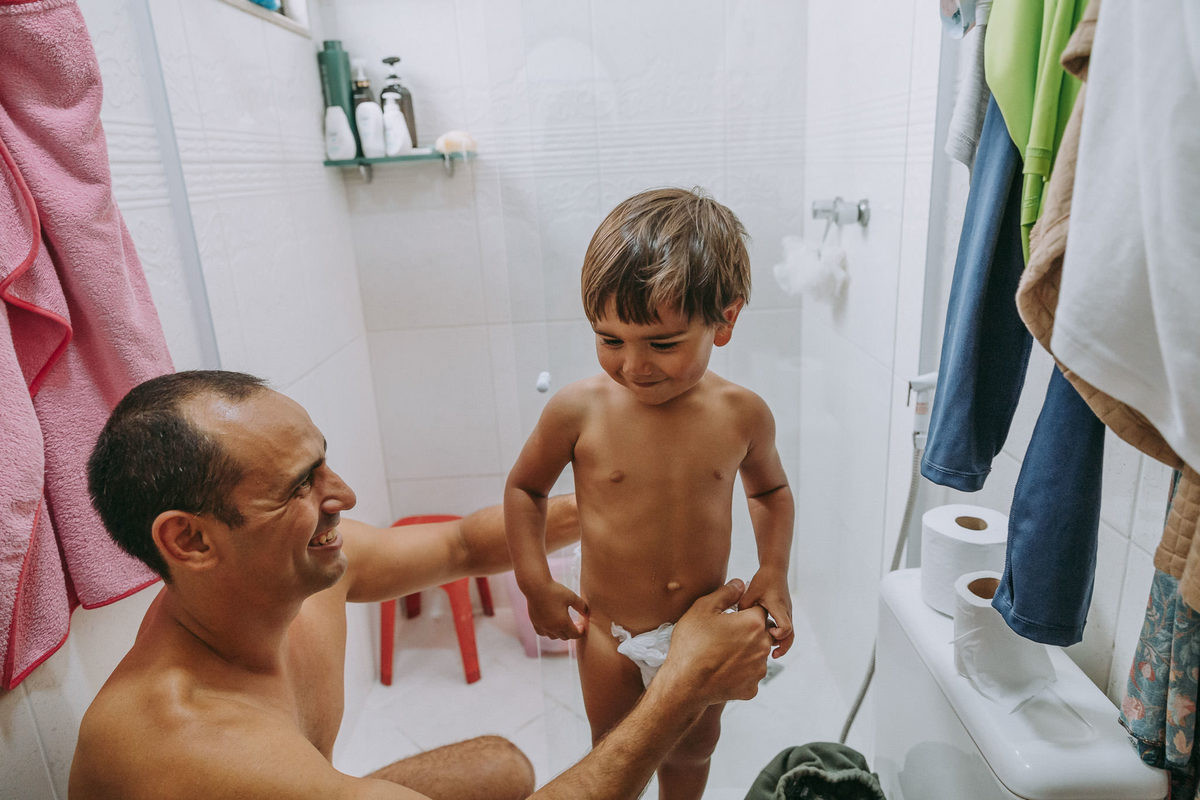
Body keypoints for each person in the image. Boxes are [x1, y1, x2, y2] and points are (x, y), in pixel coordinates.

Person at [68, 369, 773, 800]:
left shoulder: (281, 582)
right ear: (190, 540)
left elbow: (462, 544)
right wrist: (683, 686)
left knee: (499, 769)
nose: (343, 495)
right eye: (300, 486)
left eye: (323, 463)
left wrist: (628, 508)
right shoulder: (193, 745)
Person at [504, 187, 796, 800]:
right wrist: (534, 581)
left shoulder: (742, 415)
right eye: (609, 340)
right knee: (614, 755)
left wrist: (773, 570)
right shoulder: (577, 411)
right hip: (607, 634)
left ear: (725, 321)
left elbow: (770, 490)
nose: (634, 365)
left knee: (693, 752)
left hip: (701, 631)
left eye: (662, 343)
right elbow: (526, 488)